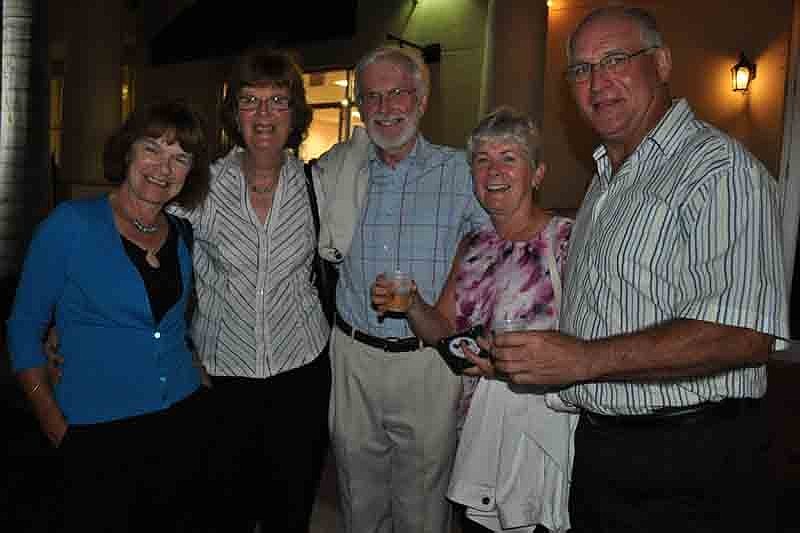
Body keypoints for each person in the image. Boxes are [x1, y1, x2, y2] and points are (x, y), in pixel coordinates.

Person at [489, 6, 788, 533]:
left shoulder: (719, 170)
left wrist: (582, 360)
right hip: (607, 449)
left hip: (691, 461)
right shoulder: (605, 180)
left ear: (663, 64)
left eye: (616, 59)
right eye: (580, 69)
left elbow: (742, 335)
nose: (597, 81)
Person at [7, 99, 211, 532]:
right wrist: (52, 421)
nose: (164, 167)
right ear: (127, 151)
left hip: (181, 423)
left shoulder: (180, 233)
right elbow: (23, 330)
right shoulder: (71, 225)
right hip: (95, 433)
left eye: (181, 158)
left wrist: (199, 381)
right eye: (153, 148)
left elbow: (172, 327)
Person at [371, 106, 576, 533]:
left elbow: (585, 346)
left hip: (537, 433)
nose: (493, 170)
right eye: (482, 160)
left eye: (509, 157)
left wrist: (511, 365)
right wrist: (410, 304)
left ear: (536, 173)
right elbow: (443, 331)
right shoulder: (474, 245)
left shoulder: (566, 241)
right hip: (477, 426)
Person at [313, 44, 489, 532]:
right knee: (358, 498)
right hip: (353, 356)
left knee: (424, 503)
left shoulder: (461, 173)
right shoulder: (336, 171)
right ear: (359, 107)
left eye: (398, 94)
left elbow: (502, 240)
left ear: (422, 99)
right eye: (372, 97)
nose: (386, 109)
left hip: (427, 360)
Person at [171, 47, 331, 532]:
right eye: (249, 100)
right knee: (223, 513)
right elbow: (151, 261)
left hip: (300, 373)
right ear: (233, 113)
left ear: (296, 113)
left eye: (277, 101)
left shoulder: (317, 185)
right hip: (223, 380)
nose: (263, 115)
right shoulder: (201, 187)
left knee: (290, 512)